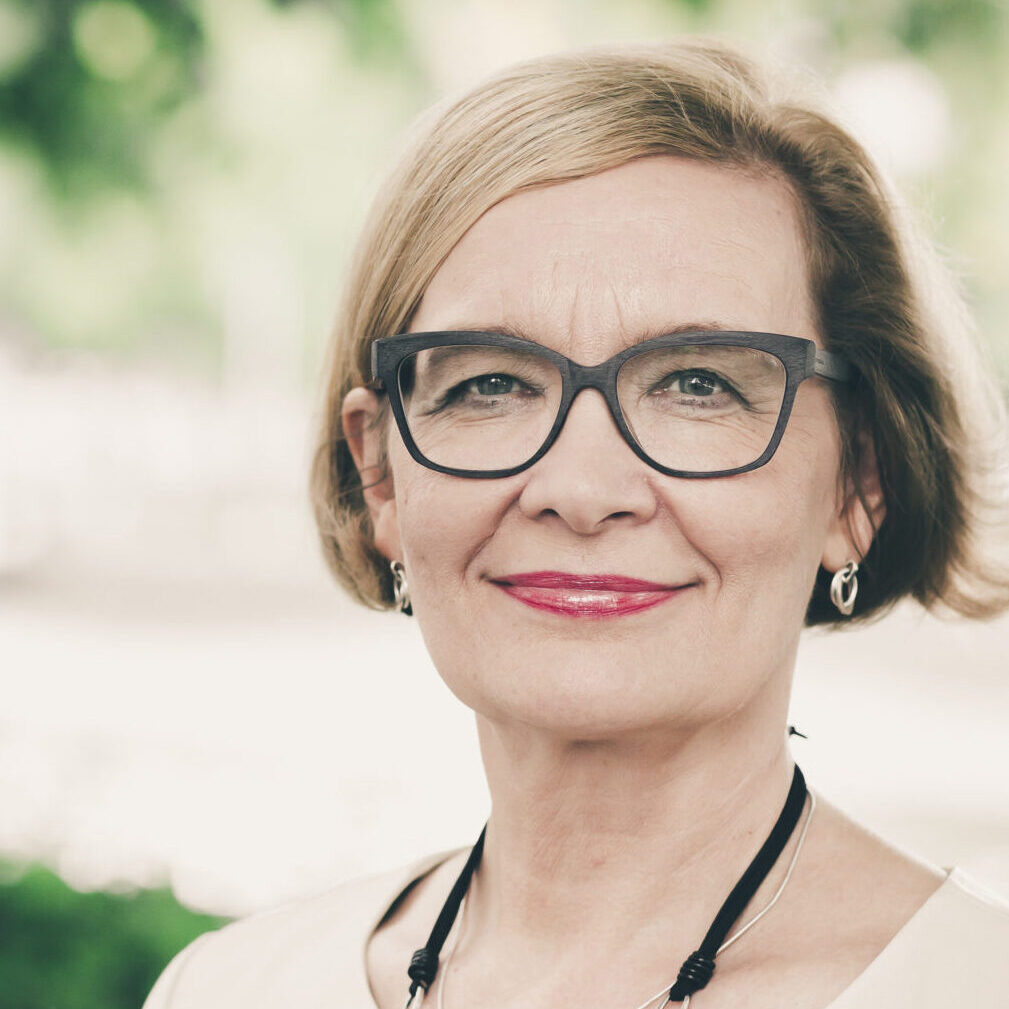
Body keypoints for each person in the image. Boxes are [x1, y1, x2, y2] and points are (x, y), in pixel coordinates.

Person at [144, 39, 1009, 1009]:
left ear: (857, 486)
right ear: (380, 477)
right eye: (490, 383)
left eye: (697, 384)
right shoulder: (223, 989)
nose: (581, 487)